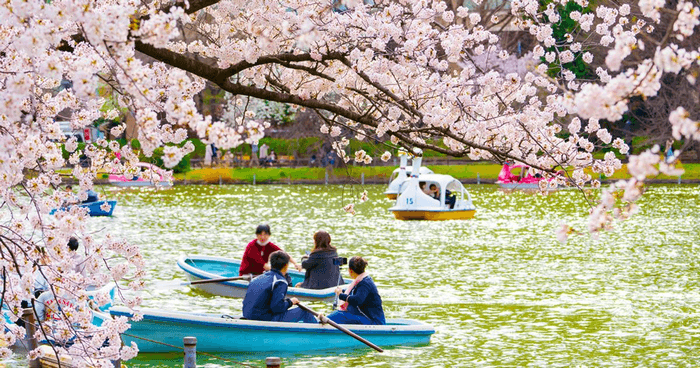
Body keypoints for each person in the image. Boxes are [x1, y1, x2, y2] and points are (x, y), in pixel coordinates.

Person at [242, 250, 317, 323]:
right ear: (286, 266)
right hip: (265, 320)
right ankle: (320, 332)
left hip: (248, 316)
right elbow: (277, 308)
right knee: (304, 311)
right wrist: (290, 302)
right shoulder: (280, 281)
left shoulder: (257, 278)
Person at [327, 256, 385, 325]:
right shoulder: (363, 280)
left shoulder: (365, 283)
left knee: (339, 315)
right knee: (342, 313)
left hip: (374, 322)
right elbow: (354, 292)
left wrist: (340, 295)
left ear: (350, 270)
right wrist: (342, 291)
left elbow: (357, 300)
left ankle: (320, 324)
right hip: (369, 318)